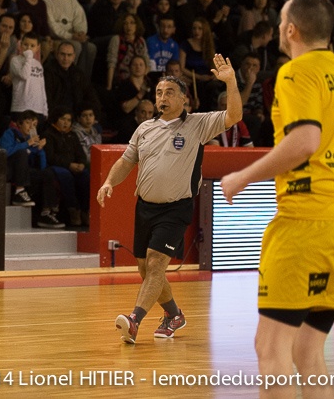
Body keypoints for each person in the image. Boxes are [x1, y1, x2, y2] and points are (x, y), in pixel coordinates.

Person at [220, 0, 334, 394]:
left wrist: (242, 177)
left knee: (270, 348)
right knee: (307, 351)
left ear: (290, 29)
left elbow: (305, 141)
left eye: (282, 20)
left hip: (308, 222)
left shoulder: (296, 72)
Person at [98, 55, 241, 344]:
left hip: (176, 207)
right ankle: (174, 315)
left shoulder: (198, 124)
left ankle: (134, 320)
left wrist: (231, 82)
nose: (163, 98)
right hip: (145, 207)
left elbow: (234, 116)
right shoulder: (144, 128)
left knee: (155, 265)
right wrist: (109, 181)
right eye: (159, 93)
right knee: (145, 268)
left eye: (170, 93)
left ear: (184, 99)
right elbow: (126, 161)